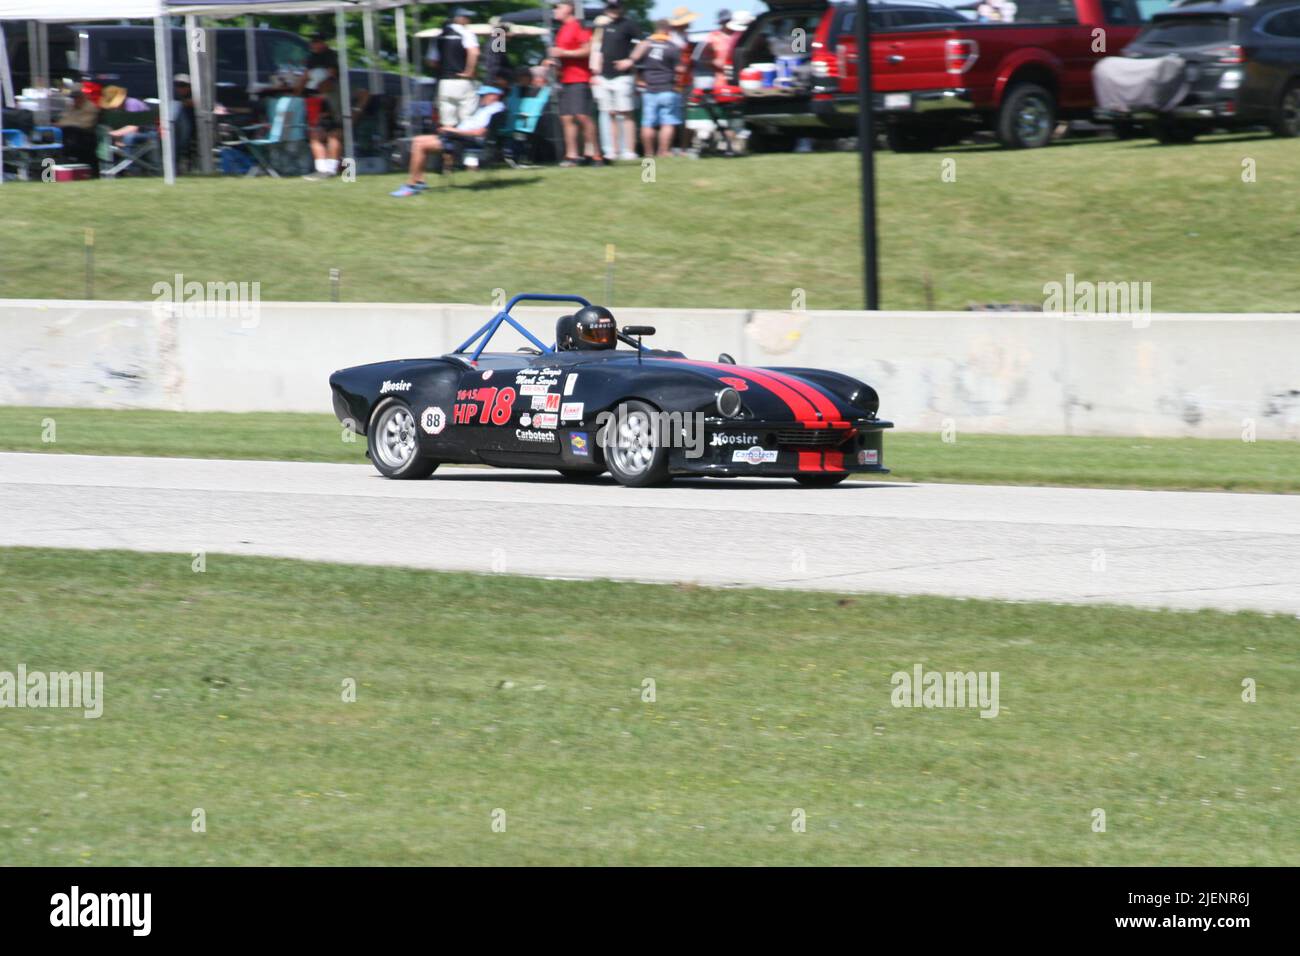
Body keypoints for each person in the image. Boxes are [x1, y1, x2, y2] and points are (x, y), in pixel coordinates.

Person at [390, 85, 505, 197]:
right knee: (417, 140)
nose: (481, 98)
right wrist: (451, 130)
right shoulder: (486, 109)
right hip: (458, 137)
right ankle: (419, 181)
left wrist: (453, 130)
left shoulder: (495, 110)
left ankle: (411, 185)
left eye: (483, 95)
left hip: (464, 140)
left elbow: (479, 133)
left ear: (493, 96)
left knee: (420, 145)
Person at [546, 1, 603, 167]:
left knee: (582, 116)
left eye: (558, 7)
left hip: (580, 78)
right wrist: (552, 62)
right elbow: (562, 56)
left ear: (569, 8)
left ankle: (596, 154)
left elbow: (588, 49)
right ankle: (572, 156)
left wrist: (564, 52)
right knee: (566, 118)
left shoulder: (578, 26)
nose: (555, 11)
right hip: (565, 79)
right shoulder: (561, 30)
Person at [591, 0, 641, 162]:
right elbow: (598, 49)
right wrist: (596, 70)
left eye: (615, 7)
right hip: (605, 76)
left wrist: (630, 60)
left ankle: (629, 151)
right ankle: (613, 150)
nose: (613, 10)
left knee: (626, 113)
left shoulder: (629, 24)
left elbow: (643, 43)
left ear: (621, 8)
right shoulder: (602, 27)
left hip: (623, 76)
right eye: (610, 7)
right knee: (610, 113)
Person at [629, 20, 682, 158]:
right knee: (668, 122)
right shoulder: (673, 47)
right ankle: (663, 151)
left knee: (648, 123)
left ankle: (648, 152)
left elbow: (633, 62)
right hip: (667, 88)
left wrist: (638, 79)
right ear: (668, 30)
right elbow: (679, 69)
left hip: (649, 89)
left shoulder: (645, 45)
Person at [296, 35, 344, 180]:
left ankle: (326, 169)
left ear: (323, 43)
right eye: (312, 42)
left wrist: (317, 92)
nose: (313, 44)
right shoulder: (316, 58)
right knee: (321, 134)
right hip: (321, 99)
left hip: (324, 100)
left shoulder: (329, 57)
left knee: (328, 134)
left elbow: (330, 78)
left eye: (316, 41)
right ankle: (327, 169)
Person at [430, 8, 480, 129]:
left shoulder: (439, 36)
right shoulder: (466, 33)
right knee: (467, 120)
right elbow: (474, 53)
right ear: (459, 19)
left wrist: (445, 68)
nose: (468, 20)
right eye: (466, 17)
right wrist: (468, 71)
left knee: (447, 122)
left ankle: (448, 146)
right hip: (463, 82)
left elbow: (431, 61)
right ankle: (464, 147)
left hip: (445, 83)